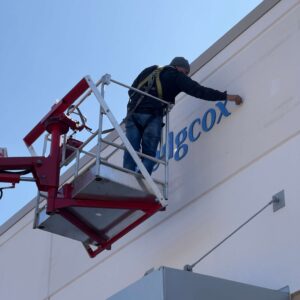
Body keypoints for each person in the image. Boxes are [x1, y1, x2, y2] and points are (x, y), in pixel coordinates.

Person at [123, 57, 243, 175]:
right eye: (185, 72)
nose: (186, 75)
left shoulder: (150, 70)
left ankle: (127, 175)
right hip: (153, 116)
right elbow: (199, 91)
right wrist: (227, 97)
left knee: (131, 148)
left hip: (133, 114)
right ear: (177, 67)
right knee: (149, 152)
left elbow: (131, 91)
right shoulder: (176, 77)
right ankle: (141, 178)